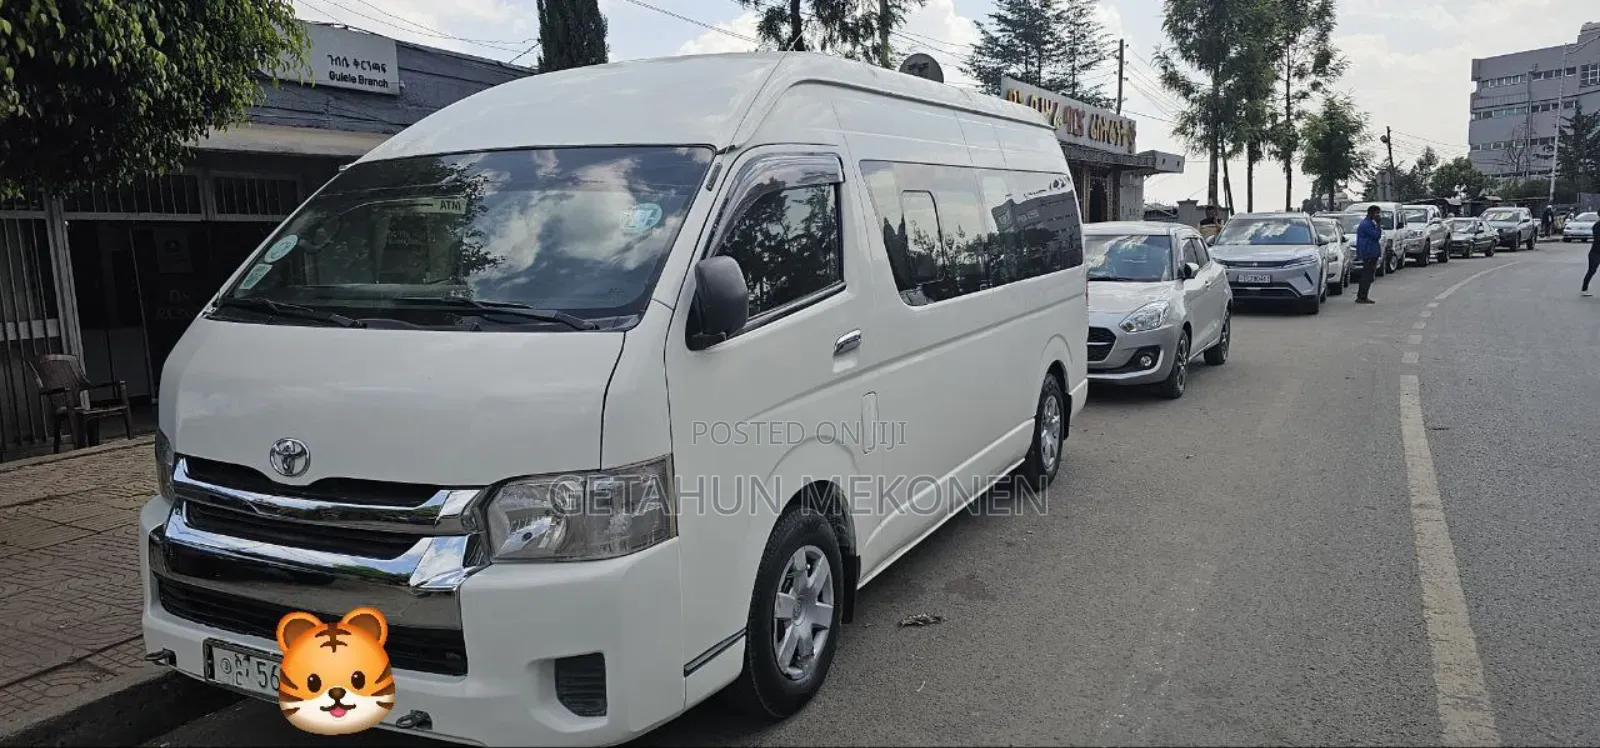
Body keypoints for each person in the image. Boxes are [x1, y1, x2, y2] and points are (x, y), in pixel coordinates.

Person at [1355, 205, 1383, 304]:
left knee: (1369, 275)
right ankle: (1362, 297)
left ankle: (1363, 296)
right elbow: (1376, 235)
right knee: (1367, 275)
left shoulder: (1369, 223)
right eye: (1376, 213)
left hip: (1371, 252)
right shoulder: (1366, 224)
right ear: (1371, 213)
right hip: (1368, 252)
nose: (1378, 216)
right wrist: (1378, 224)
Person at [1583, 227, 1600, 297]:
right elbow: (1598, 239)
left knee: (1591, 270)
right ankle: (1584, 289)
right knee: (1591, 270)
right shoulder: (1597, 226)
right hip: (1595, 253)